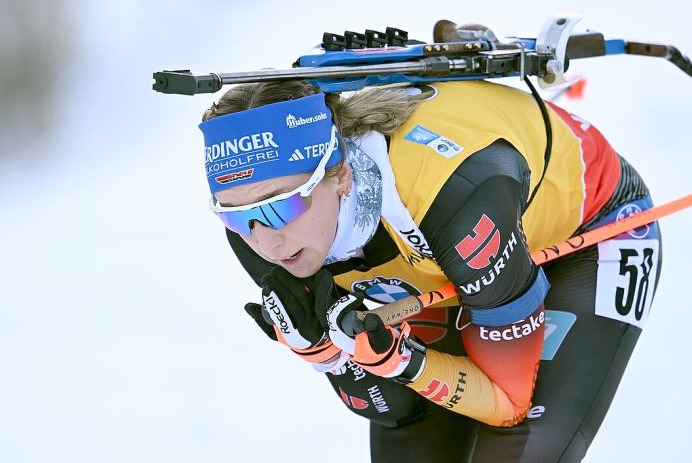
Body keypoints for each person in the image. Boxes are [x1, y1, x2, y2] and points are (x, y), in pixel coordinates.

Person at [199, 62, 663, 462]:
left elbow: (508, 401)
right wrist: (330, 356)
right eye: (236, 217)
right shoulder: (260, 237)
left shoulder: (454, 197)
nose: (266, 240)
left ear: (340, 175)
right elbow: (395, 412)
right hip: (440, 266)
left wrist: (403, 361)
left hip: (587, 232)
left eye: (281, 205)